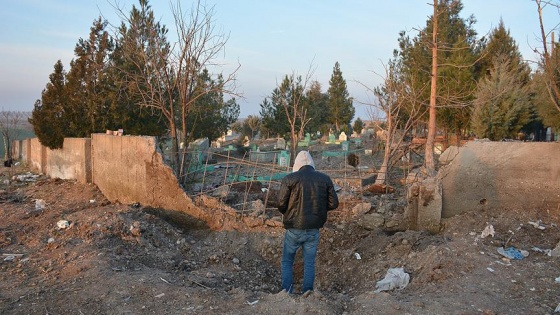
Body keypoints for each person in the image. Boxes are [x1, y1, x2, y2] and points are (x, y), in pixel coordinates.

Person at [277, 150, 339, 294]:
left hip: (293, 228)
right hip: (314, 229)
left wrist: (290, 213)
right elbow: (333, 203)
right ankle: (307, 293)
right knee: (309, 263)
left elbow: (281, 204)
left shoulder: (289, 179)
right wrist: (319, 211)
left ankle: (286, 292)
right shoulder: (325, 179)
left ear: (297, 164)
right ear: (312, 163)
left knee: (287, 261)